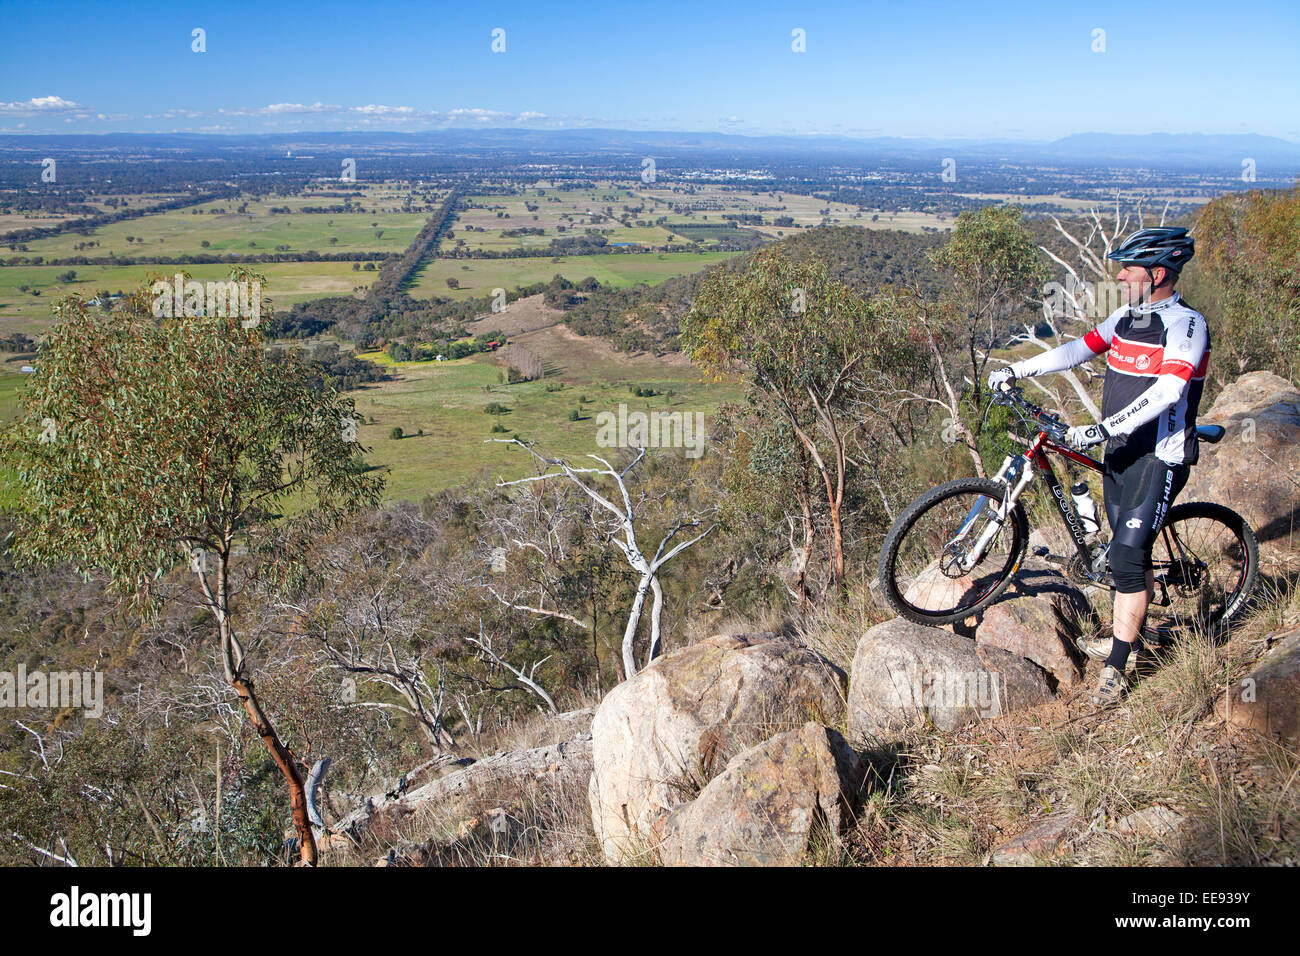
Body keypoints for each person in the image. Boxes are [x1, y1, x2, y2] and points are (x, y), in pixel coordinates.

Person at [988, 226, 1208, 708]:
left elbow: (1170, 389)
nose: (1120, 277)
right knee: (1125, 557)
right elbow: (1078, 350)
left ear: (1157, 273)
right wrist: (1017, 369)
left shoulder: (1186, 324)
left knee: (1128, 558)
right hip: (1120, 455)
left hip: (1159, 455)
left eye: (1128, 270)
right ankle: (1130, 633)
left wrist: (1103, 428)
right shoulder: (1126, 317)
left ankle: (1117, 667)